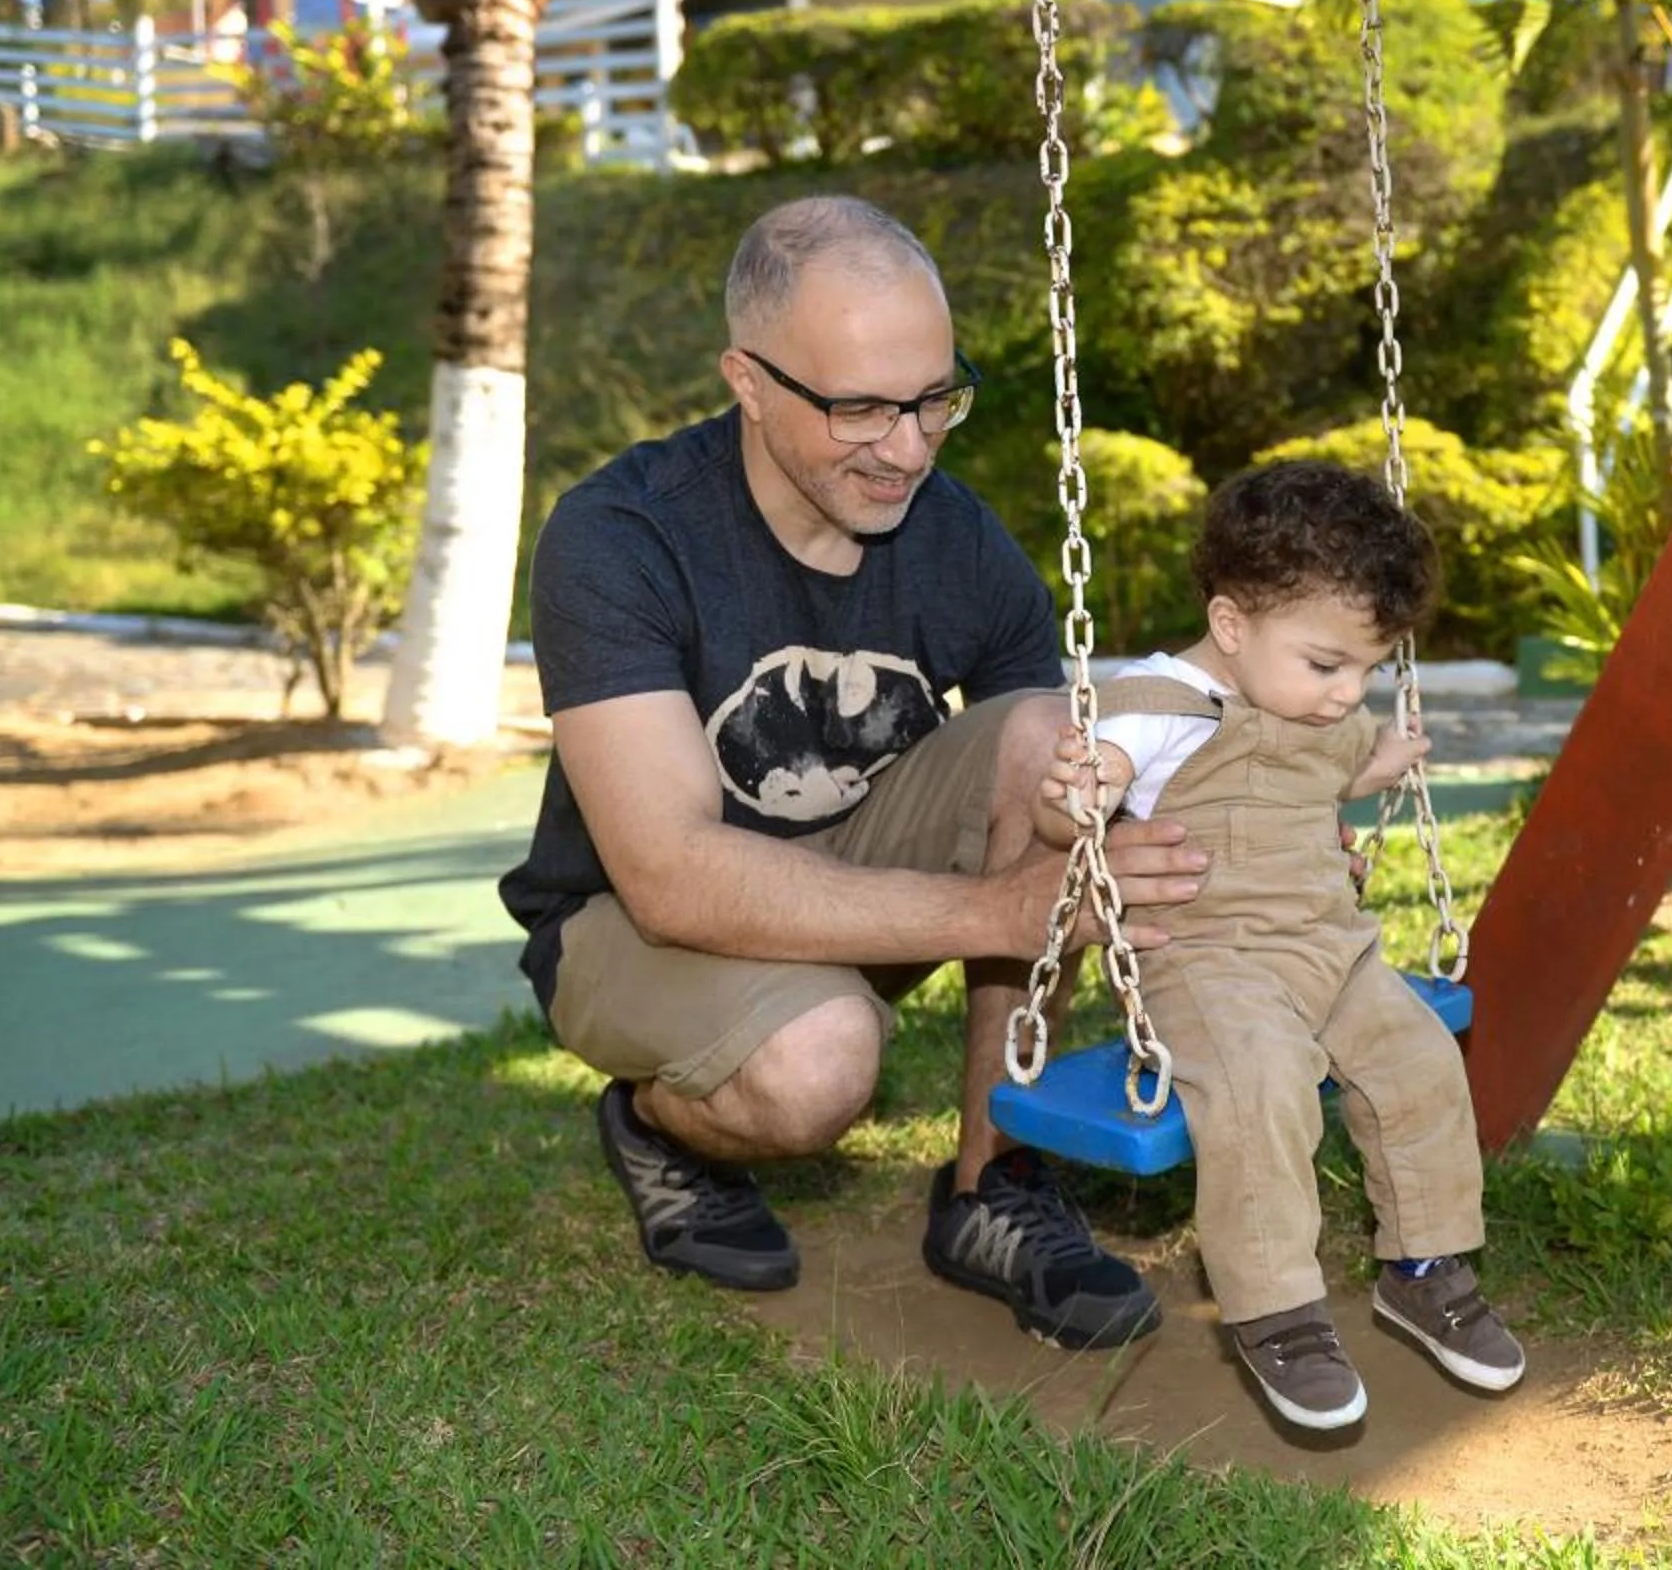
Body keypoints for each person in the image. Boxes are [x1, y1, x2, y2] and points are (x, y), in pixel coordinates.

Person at [499, 195, 1212, 1351]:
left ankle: (996, 1184)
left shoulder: (960, 538)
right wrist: (993, 909)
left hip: (853, 883)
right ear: (748, 380)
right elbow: (672, 873)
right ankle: (658, 1121)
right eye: (863, 407)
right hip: (628, 919)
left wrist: (1243, 839)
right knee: (820, 1065)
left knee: (1050, 743)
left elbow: (1067, 798)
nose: (911, 445)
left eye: (937, 397)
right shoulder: (619, 535)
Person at [1035, 460, 1524, 1430]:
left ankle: (1424, 1266)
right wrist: (1085, 788)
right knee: (1261, 1088)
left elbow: (1317, 774)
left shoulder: (1309, 698)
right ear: (1230, 624)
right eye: (1326, 665)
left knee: (1424, 1059)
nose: (1348, 694)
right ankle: (1278, 1312)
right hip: (1208, 964)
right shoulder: (1160, 699)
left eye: (1368, 669)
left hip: (1329, 948)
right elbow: (1096, 784)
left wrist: (1379, 765)